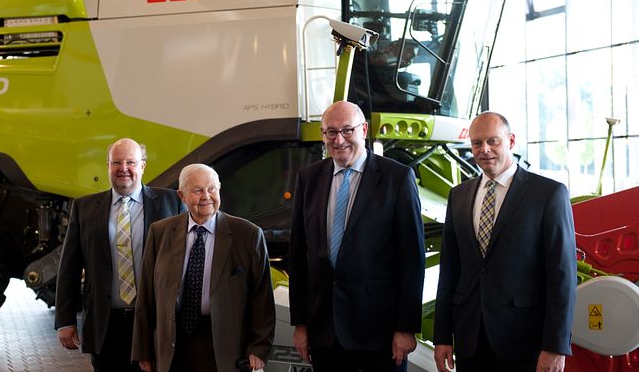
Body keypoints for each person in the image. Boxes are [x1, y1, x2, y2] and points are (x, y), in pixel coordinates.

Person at [433, 112, 577, 372]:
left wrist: (555, 346)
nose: (484, 149)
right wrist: (442, 336)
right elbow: (450, 270)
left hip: (525, 343)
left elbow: (562, 276)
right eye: (477, 143)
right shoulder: (459, 196)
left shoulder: (548, 194)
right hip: (470, 341)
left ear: (510, 141)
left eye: (493, 141)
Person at [289, 100, 426, 372]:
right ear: (322, 134)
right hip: (324, 333)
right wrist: (301, 324)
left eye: (347, 130)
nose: (339, 140)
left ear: (364, 129)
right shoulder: (309, 178)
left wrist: (405, 328)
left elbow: (412, 259)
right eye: (331, 132)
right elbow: (299, 255)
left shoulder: (397, 178)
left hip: (380, 335)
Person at [54, 138, 186, 372]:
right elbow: (69, 267)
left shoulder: (171, 203)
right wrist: (65, 319)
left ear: (143, 166)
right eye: (116, 162)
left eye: (130, 162)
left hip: (154, 323)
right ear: (108, 166)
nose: (123, 168)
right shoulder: (84, 207)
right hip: (106, 324)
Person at [131, 163, 275, 372]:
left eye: (212, 189)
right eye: (197, 190)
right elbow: (146, 296)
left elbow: (262, 299)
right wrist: (143, 349)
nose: (206, 196)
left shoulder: (248, 234)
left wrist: (259, 348)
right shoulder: (160, 232)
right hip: (173, 344)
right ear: (182, 196)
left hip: (224, 348)